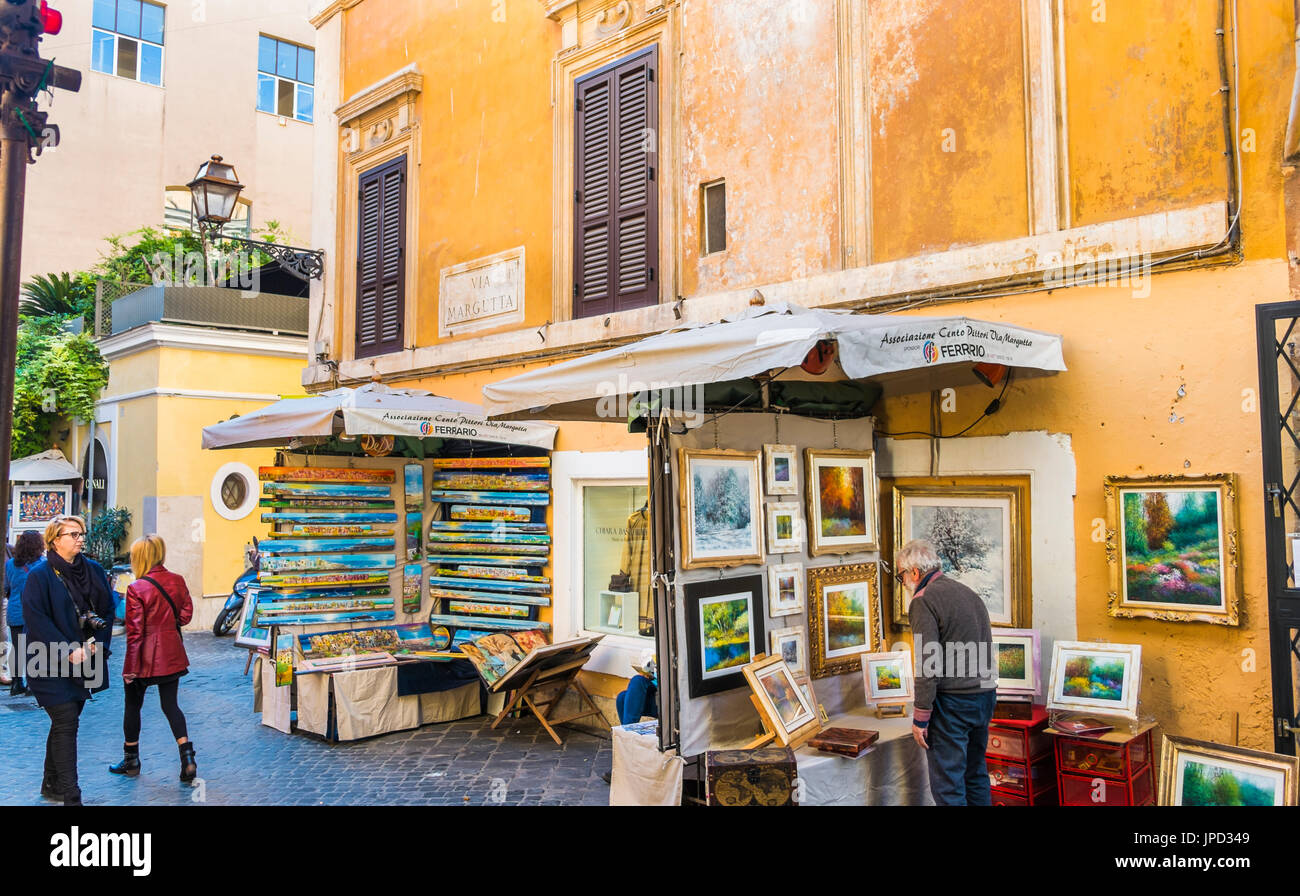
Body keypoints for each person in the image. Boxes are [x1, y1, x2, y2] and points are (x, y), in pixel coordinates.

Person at [22, 515, 116, 806]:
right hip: (47, 661)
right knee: (65, 720)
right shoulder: (40, 575)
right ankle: (71, 795)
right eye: (73, 534)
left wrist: (99, 645)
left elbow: (108, 610)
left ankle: (50, 783)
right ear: (55, 540)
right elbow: (36, 619)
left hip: (86, 660)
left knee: (66, 719)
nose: (80, 538)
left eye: (81, 533)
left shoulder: (94, 571)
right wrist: (66, 650)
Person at [897, 538, 997, 806]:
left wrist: (921, 717)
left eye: (901, 576)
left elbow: (927, 663)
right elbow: (987, 646)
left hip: (953, 703)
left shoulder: (923, 600)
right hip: (984, 696)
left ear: (914, 573)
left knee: (948, 786)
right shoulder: (968, 593)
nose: (903, 583)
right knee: (975, 775)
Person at [110, 534, 197, 783]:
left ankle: (131, 760)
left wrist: (130, 668)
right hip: (171, 653)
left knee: (132, 706)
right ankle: (187, 758)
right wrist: (167, 626)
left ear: (139, 557)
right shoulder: (177, 580)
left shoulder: (136, 588)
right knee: (171, 705)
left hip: (145, 658)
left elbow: (135, 633)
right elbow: (186, 615)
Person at [5, 530, 45, 696]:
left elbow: (6, 588)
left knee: (16, 648)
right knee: (35, 648)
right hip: (36, 611)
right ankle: (32, 684)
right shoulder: (43, 564)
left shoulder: (10, 564)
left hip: (15, 610)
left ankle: (16, 683)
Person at [616, 649, 658, 726]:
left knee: (637, 680)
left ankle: (628, 732)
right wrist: (648, 675)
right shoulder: (657, 653)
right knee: (622, 697)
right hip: (655, 692)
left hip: (666, 696)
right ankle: (627, 731)